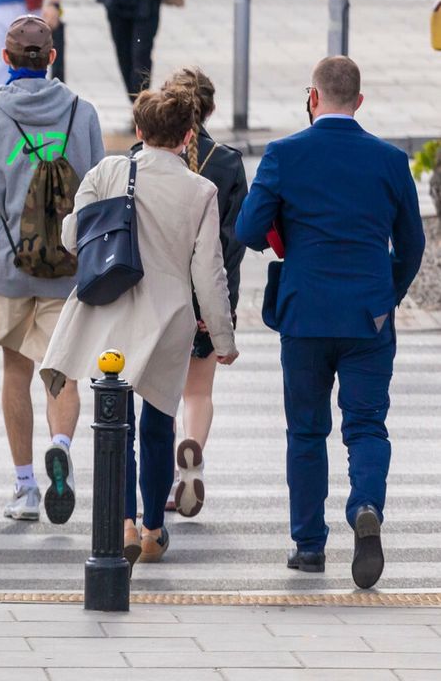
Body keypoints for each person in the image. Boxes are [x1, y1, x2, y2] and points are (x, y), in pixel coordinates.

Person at [235, 56, 424, 589]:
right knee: (366, 426)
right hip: (369, 315)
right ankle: (366, 505)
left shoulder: (284, 154)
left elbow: (248, 229)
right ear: (359, 101)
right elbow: (412, 243)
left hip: (305, 313)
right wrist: (389, 293)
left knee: (306, 430)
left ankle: (309, 547)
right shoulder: (390, 160)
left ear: (312, 98)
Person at [40, 86, 239, 568]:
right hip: (169, 319)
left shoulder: (107, 171)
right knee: (158, 424)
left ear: (139, 130)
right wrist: (222, 336)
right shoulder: (201, 190)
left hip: (111, 309)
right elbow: (208, 271)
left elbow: (71, 237)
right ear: (188, 135)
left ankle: (123, 522)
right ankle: (153, 528)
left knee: (116, 423)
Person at [0, 15, 104, 523]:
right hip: (69, 266)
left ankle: (24, 488)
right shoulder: (82, 112)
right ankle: (60, 442)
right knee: (60, 374)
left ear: (6, 60)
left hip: (11, 266)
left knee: (15, 374)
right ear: (52, 59)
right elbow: (98, 183)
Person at [154, 67, 247, 519]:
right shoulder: (227, 162)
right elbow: (235, 241)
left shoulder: (149, 156)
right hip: (207, 296)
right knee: (198, 391)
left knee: (160, 392)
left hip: (162, 297)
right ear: (209, 110)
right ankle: (190, 457)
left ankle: (166, 464)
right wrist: (219, 305)